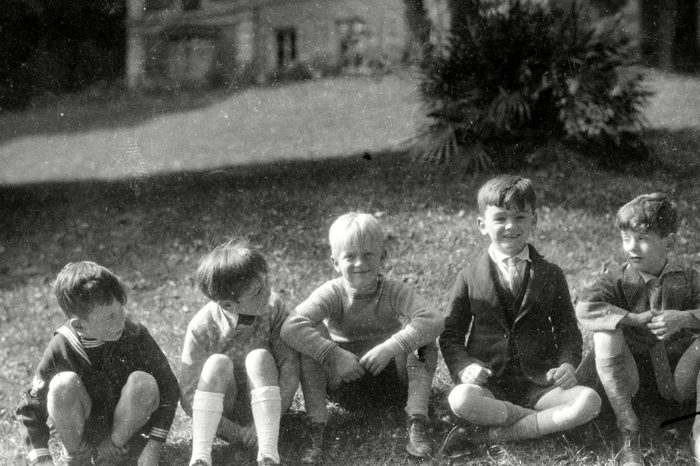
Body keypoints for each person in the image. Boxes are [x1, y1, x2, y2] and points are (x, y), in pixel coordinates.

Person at [439, 174, 601, 458]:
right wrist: (464, 366)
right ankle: (541, 422)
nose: (510, 226)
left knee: (589, 400)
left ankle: (492, 434)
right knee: (460, 399)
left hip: (540, 384)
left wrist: (566, 363)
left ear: (534, 221)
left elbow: (567, 330)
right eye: (500, 218)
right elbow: (451, 333)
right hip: (489, 386)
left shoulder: (550, 274)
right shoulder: (468, 276)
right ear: (482, 225)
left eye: (520, 217)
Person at [280, 212, 444, 463]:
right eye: (350, 257)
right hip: (344, 380)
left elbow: (433, 319)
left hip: (394, 380)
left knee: (422, 339)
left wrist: (392, 346)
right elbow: (291, 326)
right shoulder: (332, 292)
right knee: (309, 336)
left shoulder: (394, 290)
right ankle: (317, 426)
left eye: (368, 254)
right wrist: (333, 355)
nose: (360, 263)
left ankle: (417, 418)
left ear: (383, 257)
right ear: (335, 262)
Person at [576, 193, 700, 466]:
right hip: (629, 382)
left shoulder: (689, 279)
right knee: (604, 335)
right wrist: (632, 318)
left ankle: (698, 434)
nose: (632, 248)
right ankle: (629, 435)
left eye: (642, 239)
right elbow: (585, 307)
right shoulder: (617, 279)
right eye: (626, 239)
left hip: (678, 380)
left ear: (669, 241)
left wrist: (684, 318)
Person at [15, 261, 180, 466]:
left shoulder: (135, 334)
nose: (120, 320)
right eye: (109, 317)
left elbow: (169, 387)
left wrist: (154, 447)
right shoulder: (62, 346)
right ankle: (77, 457)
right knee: (62, 384)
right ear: (80, 325)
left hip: (128, 436)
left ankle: (114, 453)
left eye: (121, 309)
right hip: (84, 434)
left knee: (143, 382)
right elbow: (29, 409)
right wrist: (42, 461)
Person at [180, 239, 300, 466]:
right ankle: (200, 457)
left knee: (259, 357)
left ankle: (268, 454)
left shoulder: (273, 308)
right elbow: (188, 395)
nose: (268, 292)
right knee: (217, 363)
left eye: (267, 282)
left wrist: (265, 423)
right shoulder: (202, 326)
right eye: (257, 292)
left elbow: (289, 363)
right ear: (228, 305)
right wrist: (235, 432)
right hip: (219, 411)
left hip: (269, 406)